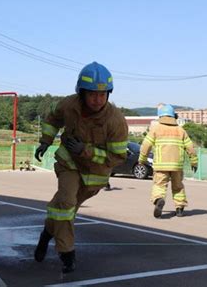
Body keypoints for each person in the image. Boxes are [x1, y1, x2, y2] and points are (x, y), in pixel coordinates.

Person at [33, 62, 128, 273]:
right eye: (93, 94)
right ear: (82, 92)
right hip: (69, 163)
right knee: (66, 202)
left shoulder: (116, 121)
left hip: (94, 175)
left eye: (103, 94)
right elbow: (53, 119)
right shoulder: (69, 105)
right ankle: (67, 255)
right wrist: (46, 140)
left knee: (64, 211)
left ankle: (46, 235)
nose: (98, 99)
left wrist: (87, 150)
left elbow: (117, 156)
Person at [138, 104, 198, 218]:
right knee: (178, 187)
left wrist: (142, 160)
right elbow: (190, 148)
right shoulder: (181, 130)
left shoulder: (155, 129)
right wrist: (194, 162)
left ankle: (159, 199)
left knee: (159, 185)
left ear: (160, 116)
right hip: (177, 165)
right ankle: (179, 209)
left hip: (161, 165)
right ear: (173, 116)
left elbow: (146, 145)